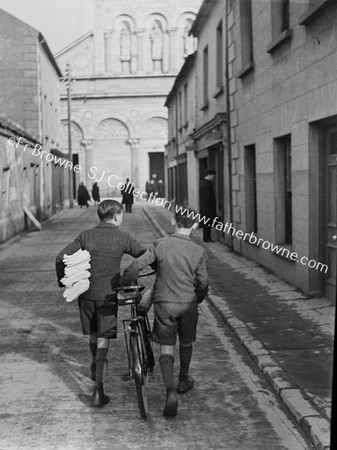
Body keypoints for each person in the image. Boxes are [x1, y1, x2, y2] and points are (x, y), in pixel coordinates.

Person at [55, 200, 146, 407]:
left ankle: (96, 370)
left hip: (86, 296)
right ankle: (98, 390)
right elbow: (143, 255)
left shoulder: (86, 236)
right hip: (108, 297)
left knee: (94, 336)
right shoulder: (122, 237)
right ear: (116, 217)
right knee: (104, 340)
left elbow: (61, 257)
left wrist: (65, 281)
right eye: (121, 216)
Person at [122, 206, 208, 417]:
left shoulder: (160, 244)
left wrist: (126, 279)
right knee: (186, 343)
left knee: (166, 347)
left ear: (173, 222)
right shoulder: (198, 251)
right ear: (195, 225)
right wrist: (198, 298)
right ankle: (183, 379)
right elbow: (203, 283)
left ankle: (170, 390)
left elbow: (136, 266)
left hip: (164, 303)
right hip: (188, 303)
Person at [199, 169, 217, 242]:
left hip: (205, 207)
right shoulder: (206, 184)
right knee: (207, 223)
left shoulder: (203, 182)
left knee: (207, 223)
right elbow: (207, 197)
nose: (213, 178)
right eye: (213, 176)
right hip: (207, 208)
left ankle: (207, 238)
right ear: (209, 175)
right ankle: (207, 238)